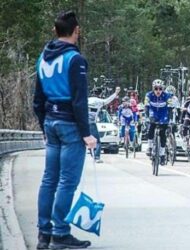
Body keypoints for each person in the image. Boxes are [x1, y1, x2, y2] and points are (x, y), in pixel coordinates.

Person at [33, 11, 96, 249]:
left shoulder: (43, 57)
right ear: (76, 31)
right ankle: (60, 233)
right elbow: (80, 100)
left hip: (51, 121)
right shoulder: (74, 60)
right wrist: (87, 133)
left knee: (49, 179)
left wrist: (44, 125)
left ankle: (44, 234)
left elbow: (37, 99)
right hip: (70, 124)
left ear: (55, 31)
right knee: (67, 182)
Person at [88, 86, 120, 163]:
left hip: (81, 121)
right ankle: (97, 157)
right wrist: (116, 93)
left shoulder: (87, 99)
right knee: (97, 141)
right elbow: (108, 100)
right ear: (100, 94)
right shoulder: (100, 101)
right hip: (91, 122)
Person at [144, 79, 172, 165]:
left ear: (163, 89)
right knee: (151, 127)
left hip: (163, 114)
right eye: (156, 88)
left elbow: (170, 107)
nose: (158, 91)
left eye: (160, 88)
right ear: (153, 88)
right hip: (153, 112)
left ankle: (162, 154)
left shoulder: (167, 95)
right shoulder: (149, 95)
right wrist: (147, 117)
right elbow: (146, 107)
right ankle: (149, 147)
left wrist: (169, 119)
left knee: (163, 133)